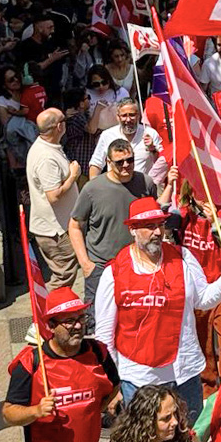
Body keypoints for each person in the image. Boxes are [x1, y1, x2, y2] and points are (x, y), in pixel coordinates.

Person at [93, 196, 221, 424]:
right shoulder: (113, 273)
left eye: (160, 225)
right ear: (132, 229)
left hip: (185, 374)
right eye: (149, 227)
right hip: (140, 379)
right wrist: (112, 386)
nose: (158, 232)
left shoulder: (183, 257)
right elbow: (103, 336)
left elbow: (203, 300)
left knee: (189, 441)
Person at [3, 288, 120, 442]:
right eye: (69, 321)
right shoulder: (30, 362)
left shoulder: (98, 353)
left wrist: (95, 409)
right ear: (51, 326)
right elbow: (8, 413)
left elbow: (113, 386)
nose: (77, 326)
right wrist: (36, 411)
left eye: (80, 318)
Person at [69, 139, 168, 308]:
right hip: (102, 267)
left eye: (130, 160)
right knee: (97, 322)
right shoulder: (92, 189)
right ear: (108, 162)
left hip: (137, 265)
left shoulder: (145, 183)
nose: (126, 165)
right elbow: (75, 226)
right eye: (119, 162)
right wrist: (86, 264)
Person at [173, 181, 221, 399]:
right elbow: (163, 218)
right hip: (198, 290)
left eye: (208, 191)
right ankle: (208, 391)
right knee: (202, 343)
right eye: (199, 191)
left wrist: (217, 224)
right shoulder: (182, 216)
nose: (204, 197)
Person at [26, 108, 81, 290]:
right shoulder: (46, 157)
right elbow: (53, 196)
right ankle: (50, 314)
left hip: (57, 227)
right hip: (55, 231)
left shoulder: (48, 147)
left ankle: (56, 314)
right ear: (59, 126)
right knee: (63, 277)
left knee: (65, 275)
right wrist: (73, 176)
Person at [88, 99, 165, 182]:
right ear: (118, 117)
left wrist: (153, 150)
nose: (128, 120)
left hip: (143, 188)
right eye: (124, 115)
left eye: (132, 115)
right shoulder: (107, 135)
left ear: (138, 115)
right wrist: (94, 187)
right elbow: (96, 164)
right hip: (115, 188)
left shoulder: (150, 133)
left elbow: (161, 164)